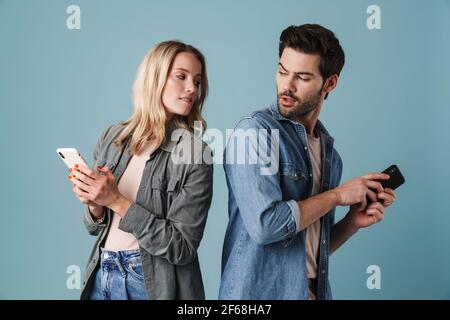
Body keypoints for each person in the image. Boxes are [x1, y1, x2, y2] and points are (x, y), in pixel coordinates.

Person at [219, 24, 397, 300]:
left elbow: (309, 248)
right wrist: (338, 196)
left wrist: (351, 222)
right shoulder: (254, 132)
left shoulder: (329, 155)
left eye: (302, 77)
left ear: (330, 83)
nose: (287, 86)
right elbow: (267, 227)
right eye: (282, 71)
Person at [68, 40, 213, 300]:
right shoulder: (113, 137)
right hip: (103, 273)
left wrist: (117, 201)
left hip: (152, 285)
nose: (192, 88)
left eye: (198, 81)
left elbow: (182, 248)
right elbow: (94, 227)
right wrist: (94, 203)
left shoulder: (195, 153)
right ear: (154, 77)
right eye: (181, 77)